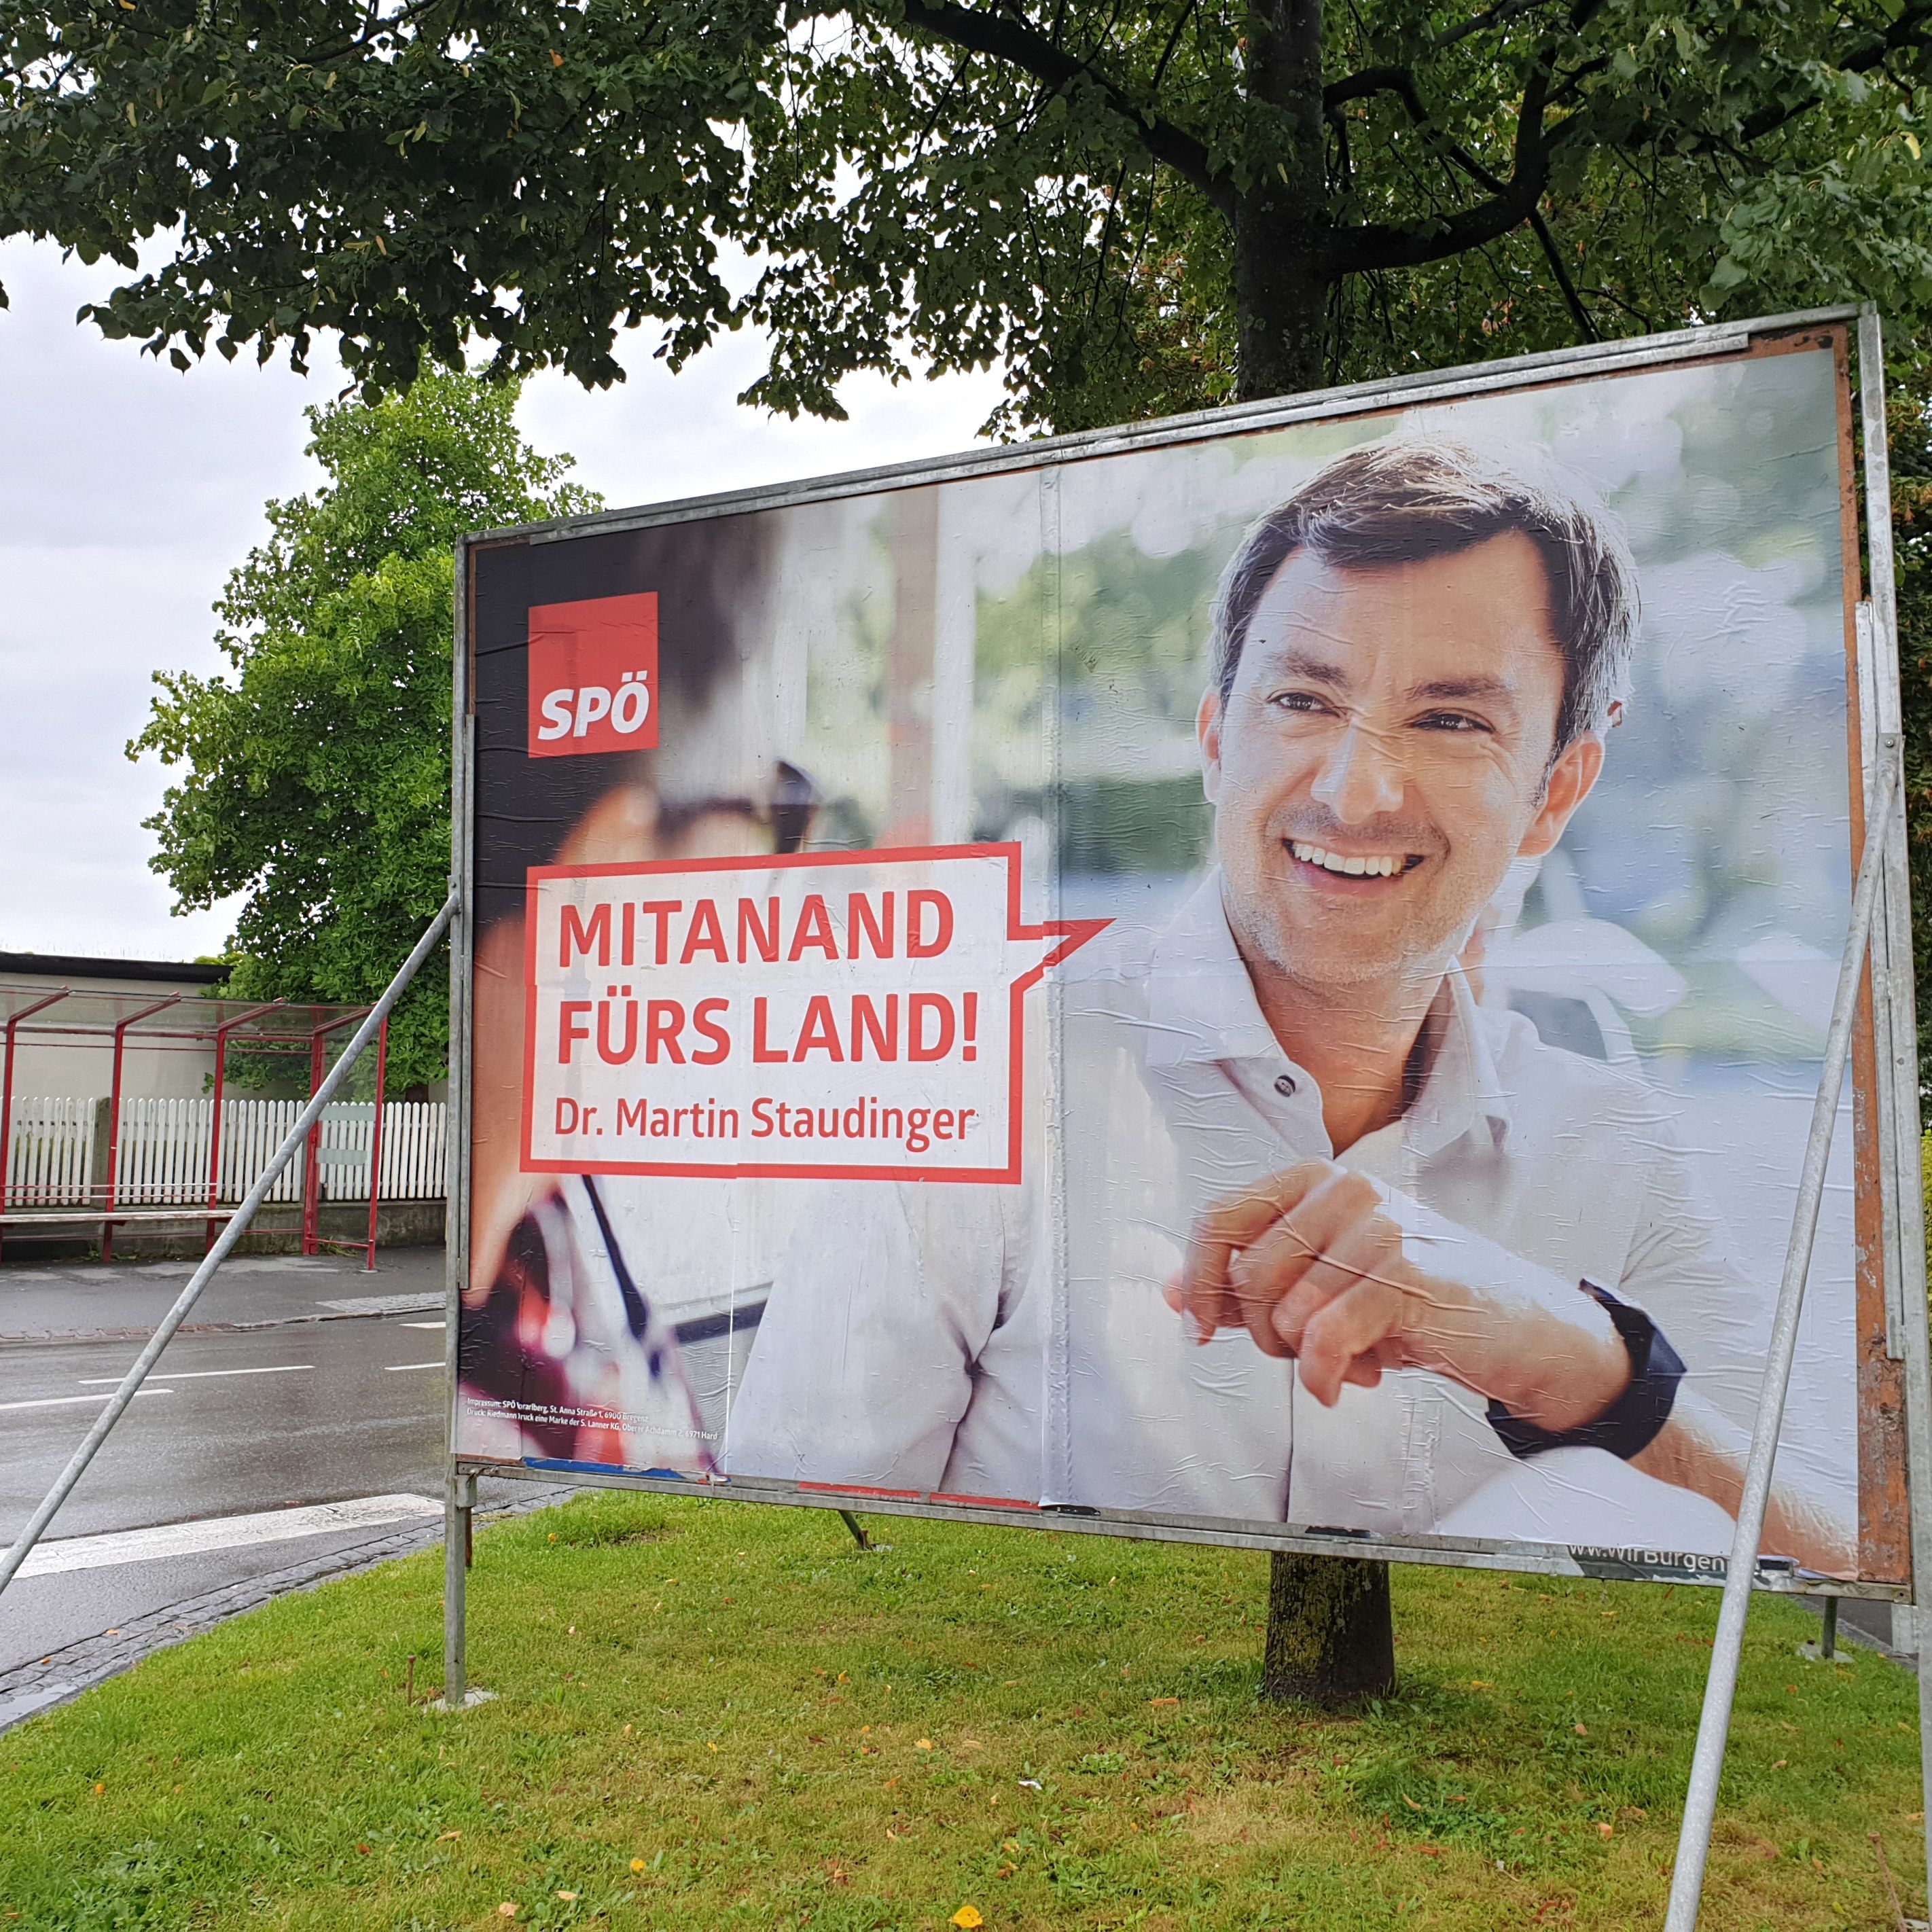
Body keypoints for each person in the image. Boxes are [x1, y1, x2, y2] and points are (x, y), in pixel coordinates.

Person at [724, 437, 1850, 1574]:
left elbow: (1853, 1574)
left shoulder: (1615, 1155)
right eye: (1304, 698)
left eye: (1451, 719)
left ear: (1557, 789)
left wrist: (1584, 1364)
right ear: (1219, 740)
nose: (1354, 791)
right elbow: (780, 1576)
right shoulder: (985, 1084)